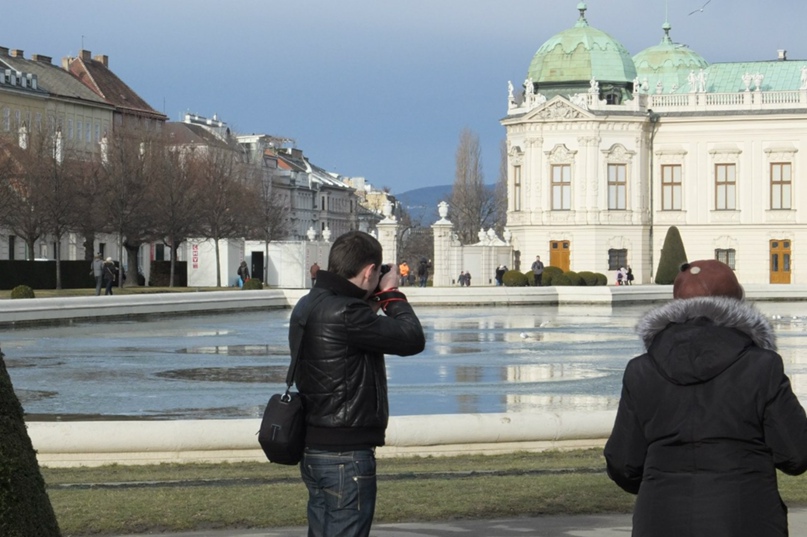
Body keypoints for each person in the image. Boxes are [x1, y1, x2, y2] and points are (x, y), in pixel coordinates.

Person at [604, 260, 807, 537]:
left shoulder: (641, 369)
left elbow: (623, 464)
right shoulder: (762, 366)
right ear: (737, 305)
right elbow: (797, 454)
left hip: (660, 519)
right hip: (747, 518)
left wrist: (666, 483)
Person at [292, 230, 425, 537]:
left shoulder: (309, 303)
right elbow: (411, 338)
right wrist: (392, 295)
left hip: (314, 447)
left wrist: (370, 301)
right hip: (346, 454)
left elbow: (350, 335)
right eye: (377, 272)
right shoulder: (347, 312)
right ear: (369, 272)